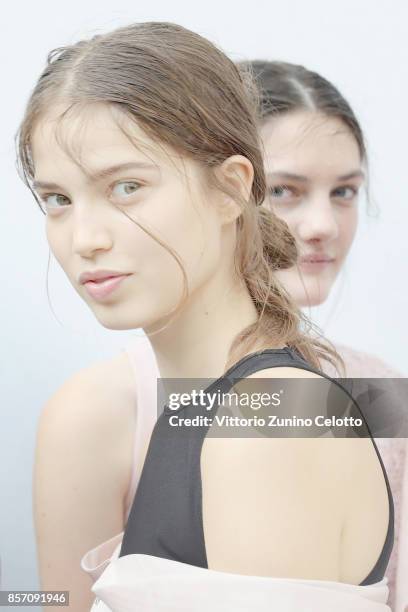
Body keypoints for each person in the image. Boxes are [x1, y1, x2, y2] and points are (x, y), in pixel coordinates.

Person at [17, 22, 394, 611]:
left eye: (126, 187)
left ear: (232, 188)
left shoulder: (272, 420)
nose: (83, 239)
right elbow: (53, 601)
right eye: (58, 200)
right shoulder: (209, 404)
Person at [114, 59, 408, 611]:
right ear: (226, 190)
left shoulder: (382, 389)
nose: (323, 224)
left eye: (344, 192)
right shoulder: (114, 400)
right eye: (289, 191)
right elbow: (53, 598)